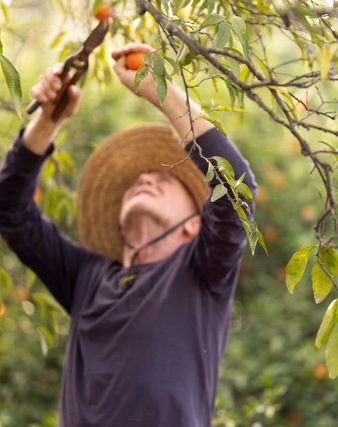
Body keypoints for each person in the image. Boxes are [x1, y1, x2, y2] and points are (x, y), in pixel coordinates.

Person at [0, 43, 257, 427]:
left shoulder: (202, 271)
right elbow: (10, 209)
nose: (144, 179)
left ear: (194, 223)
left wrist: (164, 92)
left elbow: (237, 192)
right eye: (137, 180)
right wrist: (47, 121)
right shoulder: (86, 277)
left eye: (162, 179)